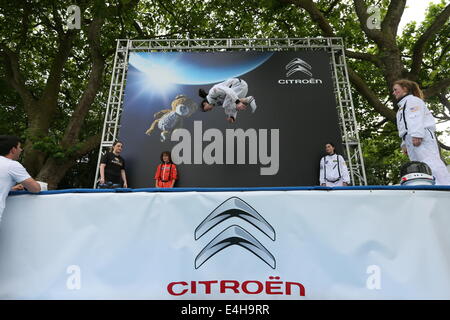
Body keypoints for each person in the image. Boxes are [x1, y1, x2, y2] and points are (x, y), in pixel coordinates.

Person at [393, 79, 450, 185]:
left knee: (430, 161)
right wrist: (404, 143)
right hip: (410, 137)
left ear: (405, 89)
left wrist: (417, 135)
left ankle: (445, 184)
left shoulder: (412, 101)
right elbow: (404, 127)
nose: (394, 92)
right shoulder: (402, 107)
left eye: (396, 90)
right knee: (420, 165)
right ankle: (431, 186)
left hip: (421, 136)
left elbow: (415, 118)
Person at [0, 135, 41, 222]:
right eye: (19, 147)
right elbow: (35, 188)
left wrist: (11, 189)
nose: (21, 150)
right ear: (13, 150)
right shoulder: (11, 165)